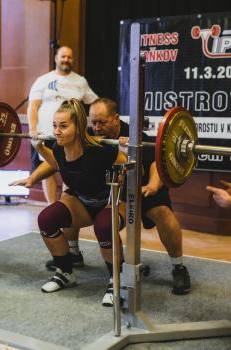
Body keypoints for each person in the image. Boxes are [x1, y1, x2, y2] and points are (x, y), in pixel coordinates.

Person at [44, 97, 190, 297]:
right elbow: (59, 160)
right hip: (110, 187)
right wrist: (32, 176)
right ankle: (72, 255)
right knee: (71, 195)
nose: (96, 127)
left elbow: (155, 163)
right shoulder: (86, 135)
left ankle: (178, 267)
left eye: (101, 122)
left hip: (142, 184)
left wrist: (153, 186)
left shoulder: (135, 134)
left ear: (115, 119)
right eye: (92, 122)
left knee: (162, 212)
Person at [12, 98, 127, 306]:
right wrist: (37, 159)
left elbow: (132, 167)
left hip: (112, 200)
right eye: (55, 126)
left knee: (104, 225)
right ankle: (65, 272)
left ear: (79, 127)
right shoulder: (58, 148)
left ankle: (117, 281)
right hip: (83, 202)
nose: (57, 131)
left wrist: (125, 165)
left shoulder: (100, 149)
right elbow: (57, 164)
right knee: (47, 219)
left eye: (64, 126)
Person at [27, 45, 98, 203]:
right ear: (56, 58)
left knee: (71, 168)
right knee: (49, 170)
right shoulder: (43, 80)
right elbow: (33, 106)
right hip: (47, 133)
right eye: (63, 56)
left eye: (69, 57)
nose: (66, 59)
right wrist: (32, 128)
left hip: (73, 135)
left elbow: (95, 103)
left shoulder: (80, 81)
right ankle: (51, 205)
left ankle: (67, 203)